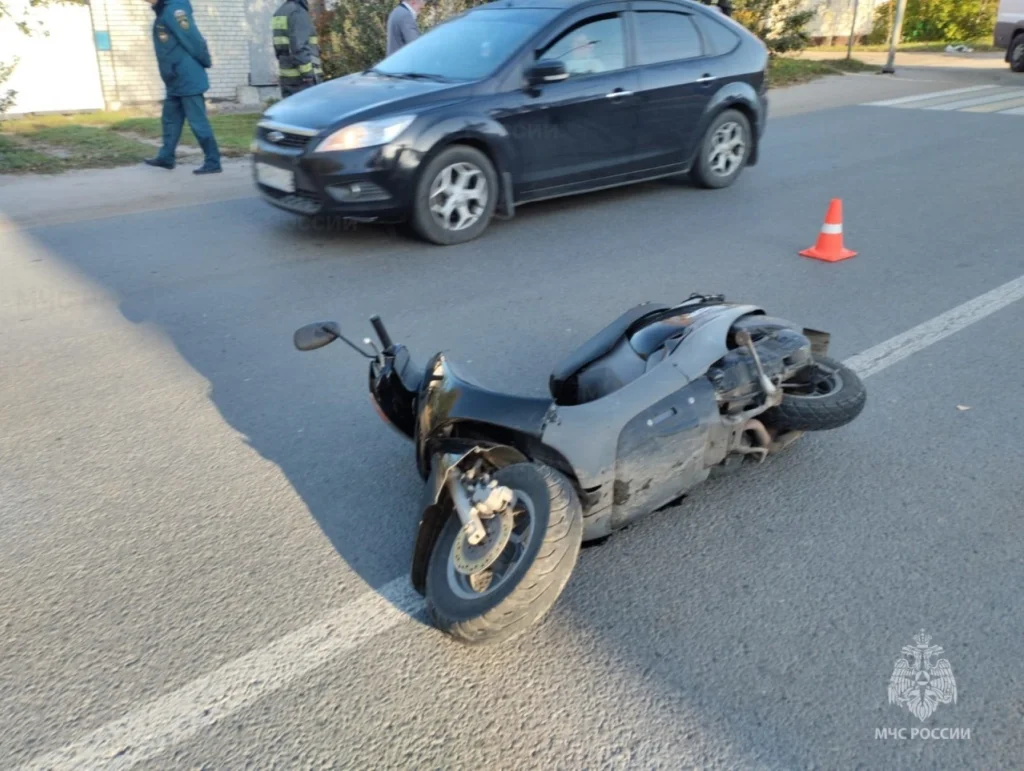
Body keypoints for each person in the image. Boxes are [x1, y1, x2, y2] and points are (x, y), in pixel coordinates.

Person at [143, 0, 221, 175]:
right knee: (170, 120)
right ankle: (166, 157)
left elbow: (193, 39)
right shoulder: (164, 10)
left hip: (187, 76)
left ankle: (213, 161)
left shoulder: (175, 10)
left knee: (197, 122)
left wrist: (205, 60)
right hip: (174, 78)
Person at [271, 0, 323, 98]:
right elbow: (299, 46)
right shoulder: (298, 12)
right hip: (303, 80)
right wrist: (308, 75)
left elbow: (279, 47)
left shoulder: (280, 11)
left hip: (287, 77)